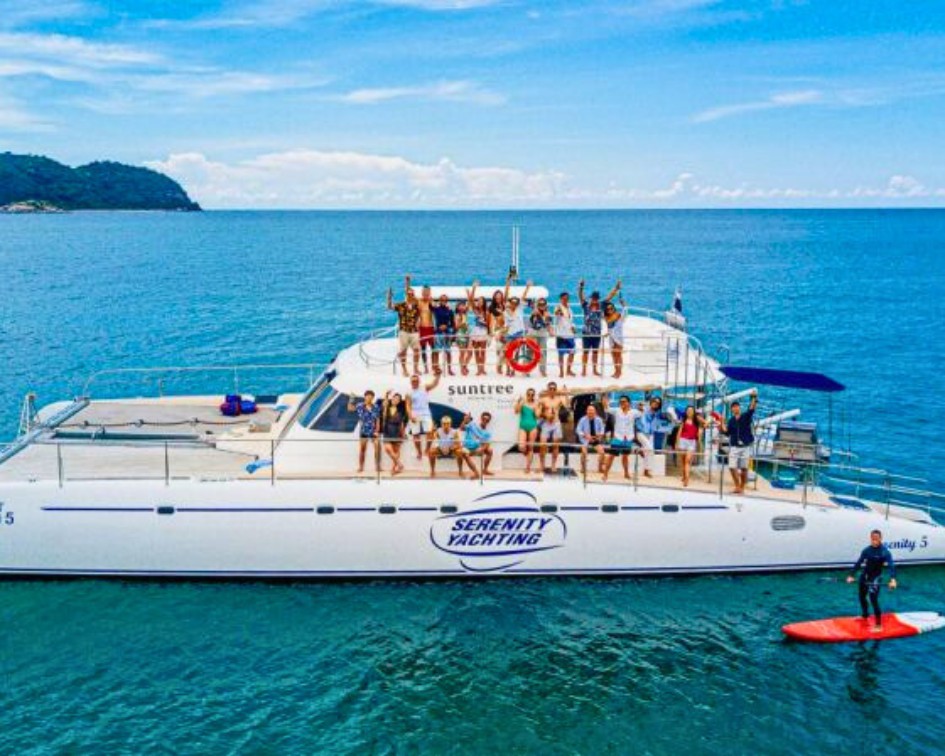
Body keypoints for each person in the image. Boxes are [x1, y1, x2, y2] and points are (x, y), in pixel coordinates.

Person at [846, 530, 898, 630]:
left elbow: (891, 566)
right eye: (873, 539)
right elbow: (859, 563)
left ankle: (878, 625)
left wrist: (893, 579)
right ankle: (865, 616)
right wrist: (851, 575)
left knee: (873, 599)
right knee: (861, 597)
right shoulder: (866, 550)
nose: (874, 541)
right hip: (865, 576)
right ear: (871, 538)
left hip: (875, 578)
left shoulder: (884, 552)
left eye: (876, 539)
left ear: (880, 539)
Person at [578, 278, 621, 377]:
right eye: (593, 298)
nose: (594, 300)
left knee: (595, 352)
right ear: (591, 298)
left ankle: (594, 370)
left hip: (597, 333)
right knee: (585, 352)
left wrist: (616, 288)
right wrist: (581, 287)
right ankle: (584, 370)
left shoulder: (601, 305)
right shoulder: (586, 305)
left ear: (597, 299)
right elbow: (580, 296)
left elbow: (609, 297)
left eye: (596, 299)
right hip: (586, 333)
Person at [719, 390, 758, 494]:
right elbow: (727, 432)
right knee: (732, 467)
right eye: (733, 407)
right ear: (732, 409)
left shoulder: (745, 416)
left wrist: (754, 398)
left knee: (744, 468)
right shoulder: (731, 420)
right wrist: (721, 422)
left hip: (745, 446)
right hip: (734, 447)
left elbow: (752, 409)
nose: (735, 408)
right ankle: (737, 485)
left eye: (737, 406)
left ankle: (742, 487)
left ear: (739, 408)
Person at [387, 276, 421, 376]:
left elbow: (420, 315)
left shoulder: (417, 306)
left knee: (416, 350)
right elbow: (389, 307)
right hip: (404, 331)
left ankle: (415, 369)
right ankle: (404, 369)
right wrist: (389, 297)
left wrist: (408, 282)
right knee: (403, 351)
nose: (410, 295)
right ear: (406, 295)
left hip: (414, 331)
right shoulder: (401, 305)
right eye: (408, 294)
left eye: (412, 294)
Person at [406, 369, 441, 461]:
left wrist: (438, 376)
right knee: (415, 434)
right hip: (414, 414)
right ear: (410, 382)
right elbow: (408, 406)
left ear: (419, 381)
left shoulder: (424, 387)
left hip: (426, 413)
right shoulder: (409, 392)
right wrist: (410, 416)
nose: (414, 382)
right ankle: (419, 452)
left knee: (431, 432)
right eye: (413, 381)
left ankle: (427, 449)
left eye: (416, 380)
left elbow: (434, 384)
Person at [603, 395, 636, 482]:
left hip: (628, 438)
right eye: (620, 402)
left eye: (624, 401)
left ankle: (626, 473)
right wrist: (605, 402)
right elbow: (607, 409)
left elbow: (641, 413)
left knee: (625, 456)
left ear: (628, 403)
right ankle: (605, 474)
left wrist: (641, 408)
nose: (622, 403)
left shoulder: (633, 412)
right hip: (617, 437)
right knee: (611, 456)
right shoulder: (616, 410)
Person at [347, 390, 380, 473]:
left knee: (377, 448)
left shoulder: (376, 407)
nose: (369, 398)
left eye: (371, 397)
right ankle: (361, 467)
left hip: (373, 430)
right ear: (365, 397)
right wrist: (351, 399)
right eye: (368, 396)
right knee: (362, 449)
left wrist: (377, 430)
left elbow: (377, 419)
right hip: (364, 430)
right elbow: (350, 408)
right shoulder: (360, 406)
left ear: (373, 398)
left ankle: (377, 467)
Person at [675, 406, 708, 487]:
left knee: (688, 461)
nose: (689, 412)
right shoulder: (683, 420)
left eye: (691, 410)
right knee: (683, 461)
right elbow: (679, 432)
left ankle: (687, 479)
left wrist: (701, 429)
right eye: (688, 410)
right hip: (683, 441)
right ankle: (684, 475)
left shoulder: (697, 419)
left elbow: (706, 423)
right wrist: (677, 443)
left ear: (694, 412)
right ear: (686, 412)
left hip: (692, 442)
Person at [514, 388, 541, 473]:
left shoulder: (536, 404)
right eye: (529, 394)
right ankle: (528, 455)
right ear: (526, 394)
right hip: (523, 426)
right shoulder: (523, 403)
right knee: (521, 447)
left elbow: (537, 416)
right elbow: (516, 411)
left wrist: (537, 407)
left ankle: (528, 467)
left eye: (532, 394)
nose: (530, 396)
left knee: (530, 447)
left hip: (533, 427)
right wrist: (519, 403)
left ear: (534, 395)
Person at [576, 404, 607, 476]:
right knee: (584, 452)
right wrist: (585, 435)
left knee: (602, 452)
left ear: (595, 411)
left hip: (596, 439)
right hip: (585, 439)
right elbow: (578, 430)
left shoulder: (599, 419)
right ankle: (583, 468)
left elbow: (602, 430)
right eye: (589, 410)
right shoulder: (582, 419)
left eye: (592, 410)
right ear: (586, 411)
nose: (590, 412)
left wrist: (599, 435)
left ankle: (600, 468)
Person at [466, 283, 490, 376]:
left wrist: (489, 334)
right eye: (478, 301)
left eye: (481, 301)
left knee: (483, 352)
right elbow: (471, 300)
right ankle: (478, 369)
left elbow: (488, 323)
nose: (479, 302)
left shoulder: (486, 312)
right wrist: (474, 288)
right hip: (475, 332)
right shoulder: (475, 310)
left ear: (484, 302)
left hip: (483, 332)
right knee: (476, 352)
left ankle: (482, 368)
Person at [381, 392, 408, 475]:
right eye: (394, 398)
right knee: (387, 449)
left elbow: (402, 423)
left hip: (397, 431)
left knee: (396, 451)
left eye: (398, 399)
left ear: (399, 401)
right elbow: (385, 405)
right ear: (392, 398)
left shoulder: (401, 411)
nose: (395, 400)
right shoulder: (387, 407)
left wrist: (403, 433)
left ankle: (394, 468)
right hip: (387, 430)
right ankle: (400, 464)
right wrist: (386, 395)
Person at [461, 412, 494, 476]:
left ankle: (485, 470)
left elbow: (487, 444)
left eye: (487, 420)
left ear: (489, 421)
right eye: (483, 419)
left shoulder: (487, 433)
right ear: (481, 418)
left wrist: (482, 449)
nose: (485, 421)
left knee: (490, 450)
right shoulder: (472, 424)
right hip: (467, 447)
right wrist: (465, 420)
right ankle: (476, 473)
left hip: (476, 449)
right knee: (465, 453)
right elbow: (462, 428)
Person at [528, 296, 553, 377]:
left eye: (543, 304)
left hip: (542, 333)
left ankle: (543, 370)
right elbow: (527, 302)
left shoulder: (548, 314)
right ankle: (527, 370)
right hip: (532, 333)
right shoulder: (534, 311)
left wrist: (551, 331)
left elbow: (548, 324)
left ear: (546, 305)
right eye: (540, 304)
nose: (542, 305)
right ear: (537, 304)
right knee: (530, 352)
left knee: (543, 352)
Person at [431, 293, 456, 376]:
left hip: (447, 333)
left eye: (445, 300)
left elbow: (453, 324)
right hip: (438, 332)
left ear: (447, 301)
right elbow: (428, 303)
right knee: (436, 351)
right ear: (439, 300)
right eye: (442, 299)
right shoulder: (436, 309)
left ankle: (449, 369)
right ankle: (436, 368)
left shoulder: (450, 311)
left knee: (448, 352)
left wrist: (447, 327)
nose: (443, 301)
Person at [553, 291, 577, 378]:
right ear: (561, 299)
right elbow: (556, 314)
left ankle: (568, 370)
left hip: (570, 334)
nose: (566, 300)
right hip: (561, 335)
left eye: (567, 298)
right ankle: (561, 372)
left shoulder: (569, 308)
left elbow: (570, 321)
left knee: (572, 353)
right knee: (561, 354)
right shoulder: (558, 307)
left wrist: (573, 327)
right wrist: (558, 312)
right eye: (564, 298)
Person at [603, 296, 625, 379]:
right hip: (611, 339)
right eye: (608, 309)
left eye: (611, 308)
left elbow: (625, 311)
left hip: (618, 338)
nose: (610, 310)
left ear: (614, 308)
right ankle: (616, 371)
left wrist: (623, 304)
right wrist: (607, 333)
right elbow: (610, 329)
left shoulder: (619, 316)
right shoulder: (607, 318)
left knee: (618, 355)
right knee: (613, 356)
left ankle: (619, 372)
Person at [537, 405, 563, 473]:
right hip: (545, 423)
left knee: (555, 445)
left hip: (555, 423)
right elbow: (537, 416)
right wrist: (544, 414)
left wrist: (552, 413)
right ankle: (542, 465)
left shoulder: (557, 402)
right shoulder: (543, 401)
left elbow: (564, 405)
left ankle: (553, 465)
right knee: (542, 445)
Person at [417, 284, 436, 373]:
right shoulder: (419, 301)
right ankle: (425, 367)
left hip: (431, 327)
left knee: (433, 348)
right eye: (424, 292)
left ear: (430, 292)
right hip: (422, 328)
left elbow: (436, 311)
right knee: (423, 349)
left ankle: (433, 365)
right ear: (422, 292)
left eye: (427, 292)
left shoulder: (432, 302)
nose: (426, 293)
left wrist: (432, 302)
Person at [454, 301, 471, 376]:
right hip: (460, 334)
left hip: (467, 334)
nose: (461, 307)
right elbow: (456, 327)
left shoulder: (466, 314)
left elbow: (469, 303)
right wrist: (462, 324)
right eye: (460, 306)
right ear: (457, 307)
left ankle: (464, 366)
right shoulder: (457, 315)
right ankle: (462, 368)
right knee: (462, 353)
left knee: (470, 353)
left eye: (463, 305)